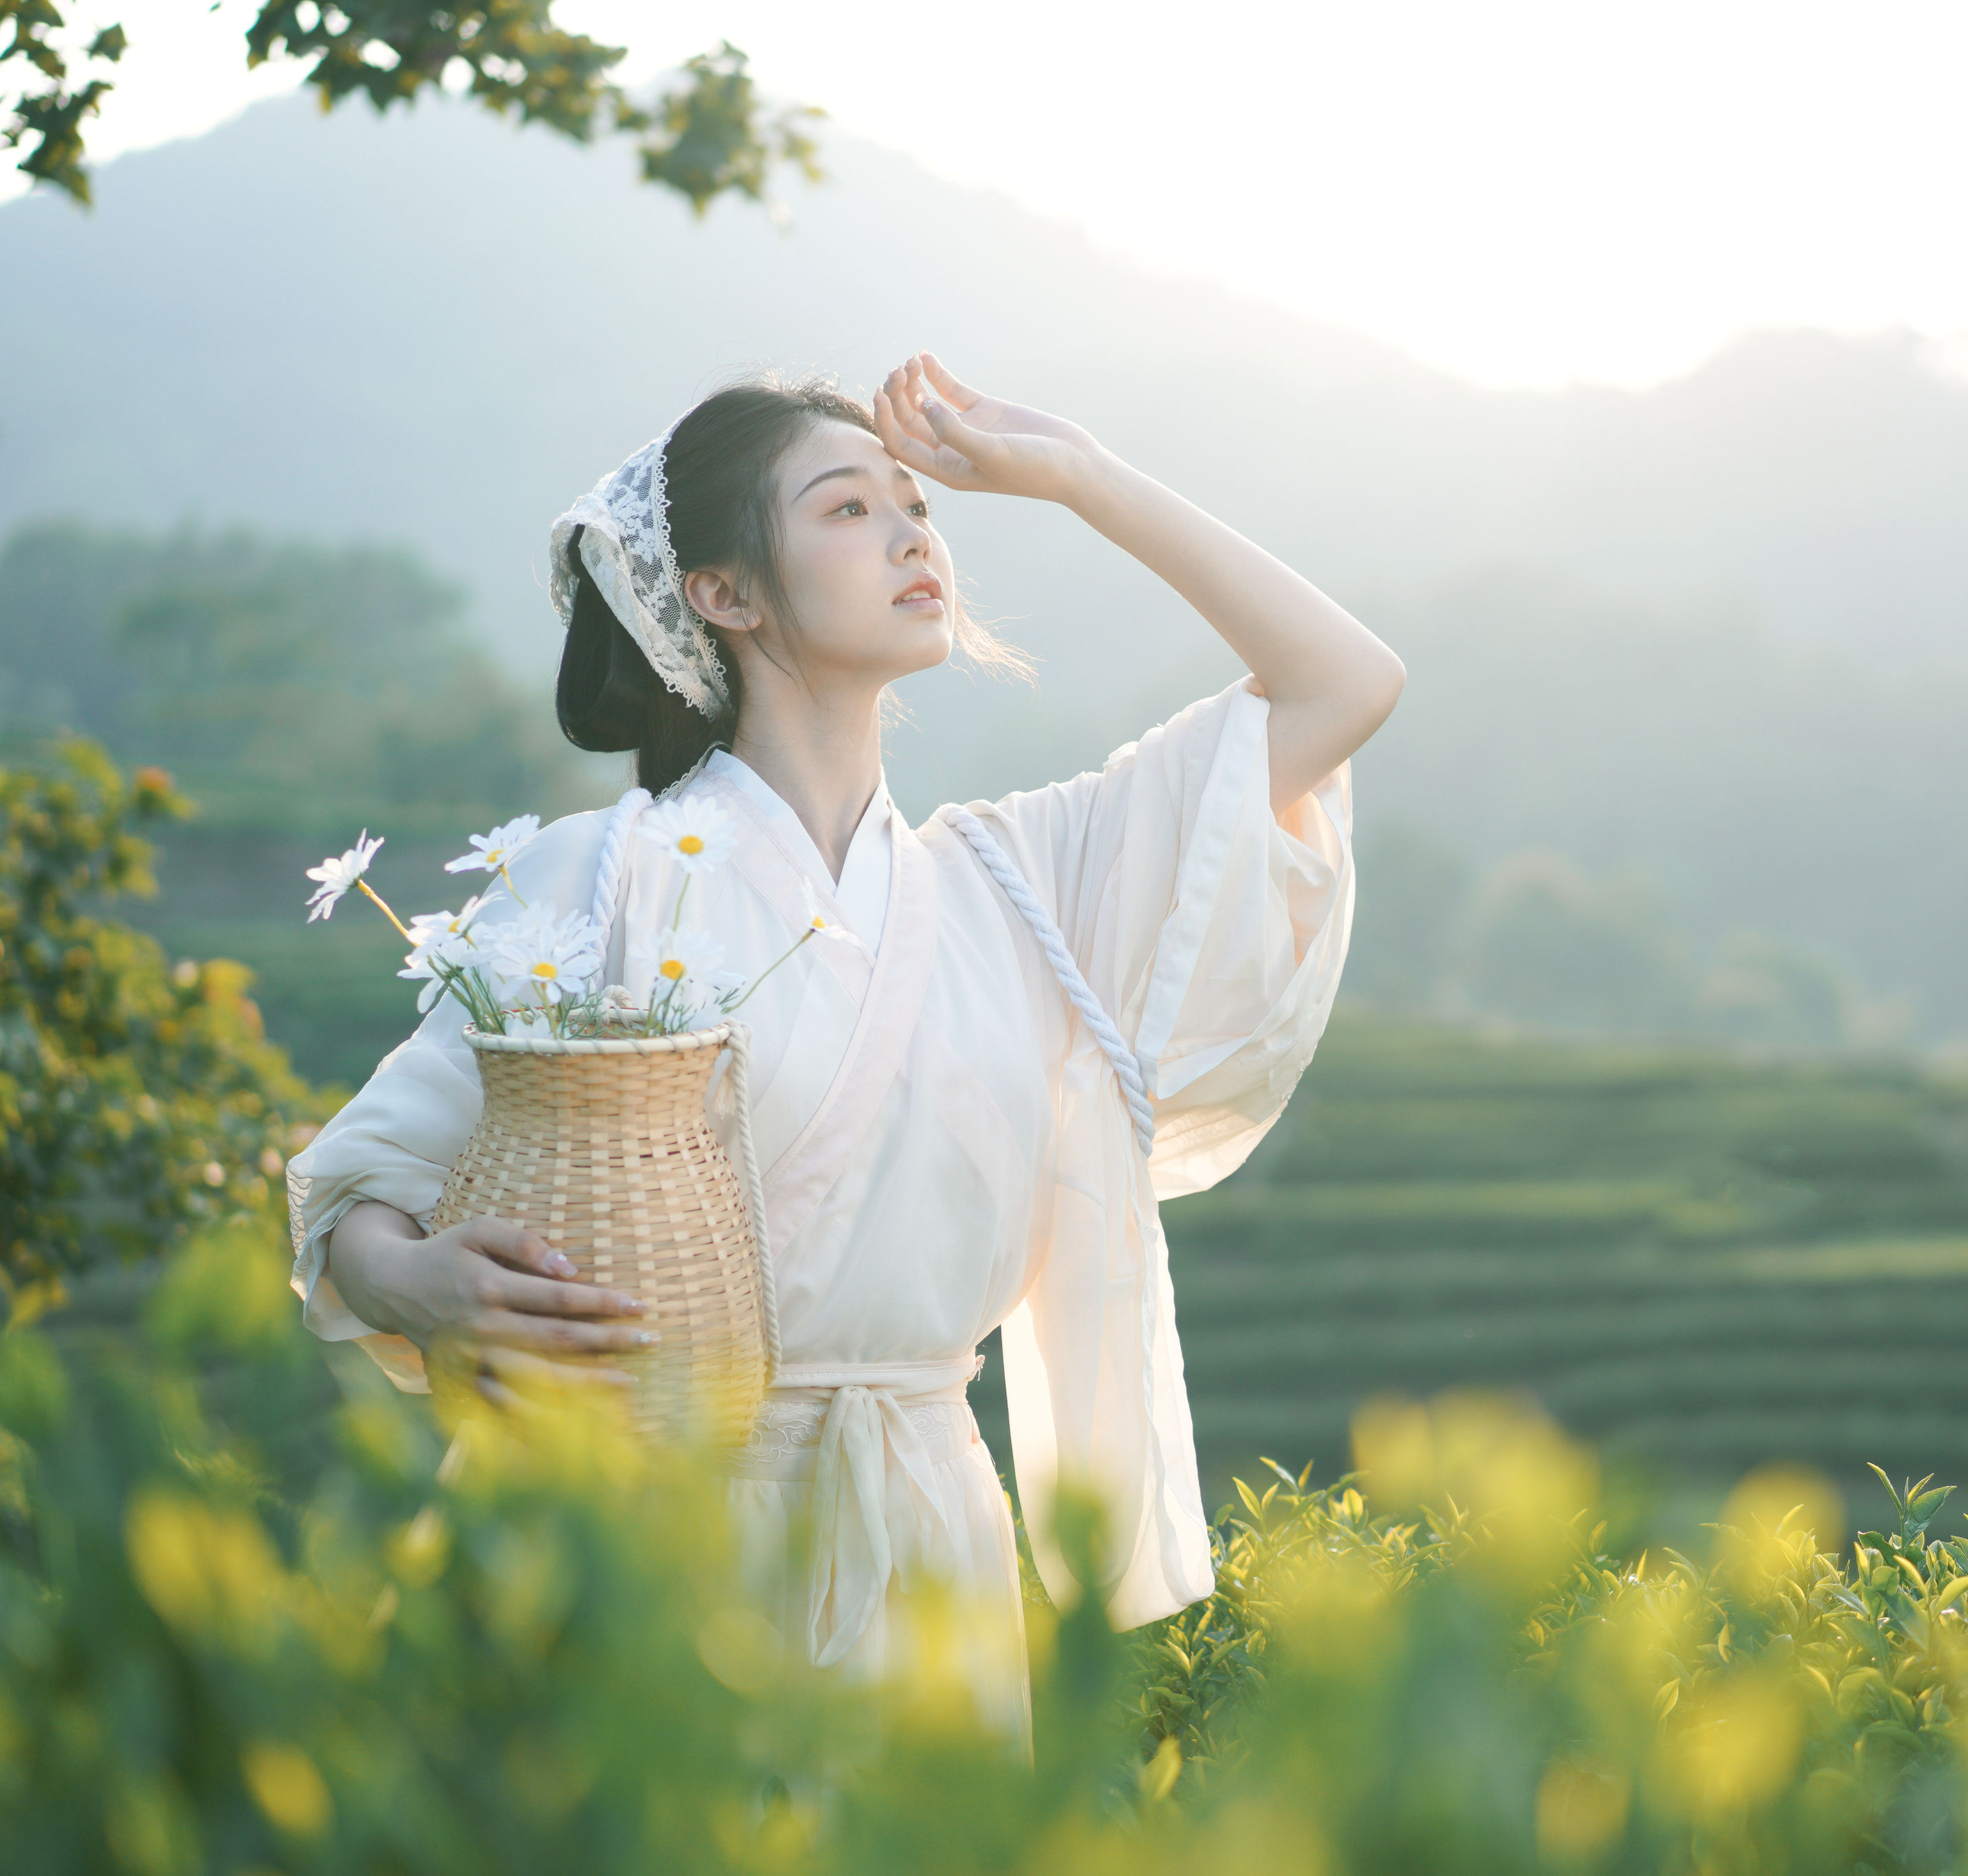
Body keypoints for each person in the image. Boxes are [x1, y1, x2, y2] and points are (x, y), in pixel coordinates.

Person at [283, 356, 1400, 1734]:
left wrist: (1078, 473)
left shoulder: (1019, 885)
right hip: (632, 1519)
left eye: (918, 506)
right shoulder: (601, 878)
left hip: (924, 1536)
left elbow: (1343, 682)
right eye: (849, 509)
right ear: (725, 594)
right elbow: (356, 1190)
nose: (914, 533)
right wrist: (416, 1283)